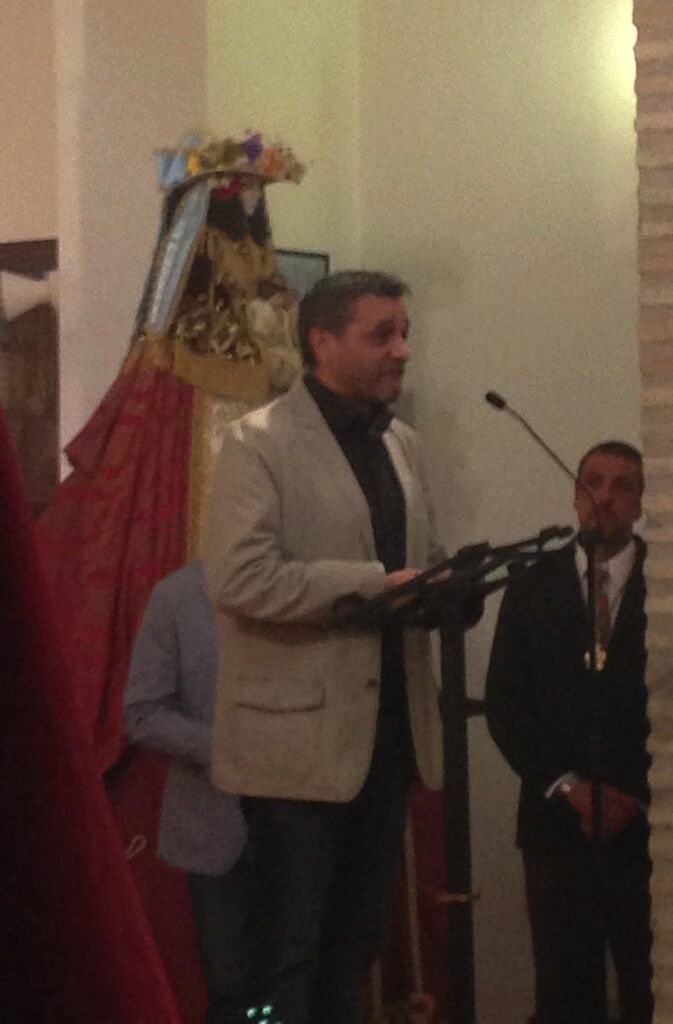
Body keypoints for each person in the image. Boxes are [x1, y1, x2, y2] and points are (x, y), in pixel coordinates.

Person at [202, 270, 445, 1024]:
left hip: (388, 741)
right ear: (323, 341)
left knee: (355, 949)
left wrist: (448, 589)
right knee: (288, 956)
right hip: (296, 751)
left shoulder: (402, 442)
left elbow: (417, 562)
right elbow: (239, 577)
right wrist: (373, 586)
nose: (402, 350)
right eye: (382, 335)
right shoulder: (257, 442)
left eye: (404, 333)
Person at [485, 441, 653, 1024]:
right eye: (593, 482)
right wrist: (572, 787)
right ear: (575, 494)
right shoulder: (531, 585)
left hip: (646, 825)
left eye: (622, 485)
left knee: (652, 990)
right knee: (563, 995)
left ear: (640, 502)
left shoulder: (672, 582)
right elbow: (507, 704)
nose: (605, 496)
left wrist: (631, 795)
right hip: (556, 825)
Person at [124, 561, 262, 1024]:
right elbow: (142, 713)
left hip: (304, 824)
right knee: (231, 989)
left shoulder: (302, 589)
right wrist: (224, 748)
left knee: (297, 986)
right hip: (212, 825)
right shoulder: (176, 597)